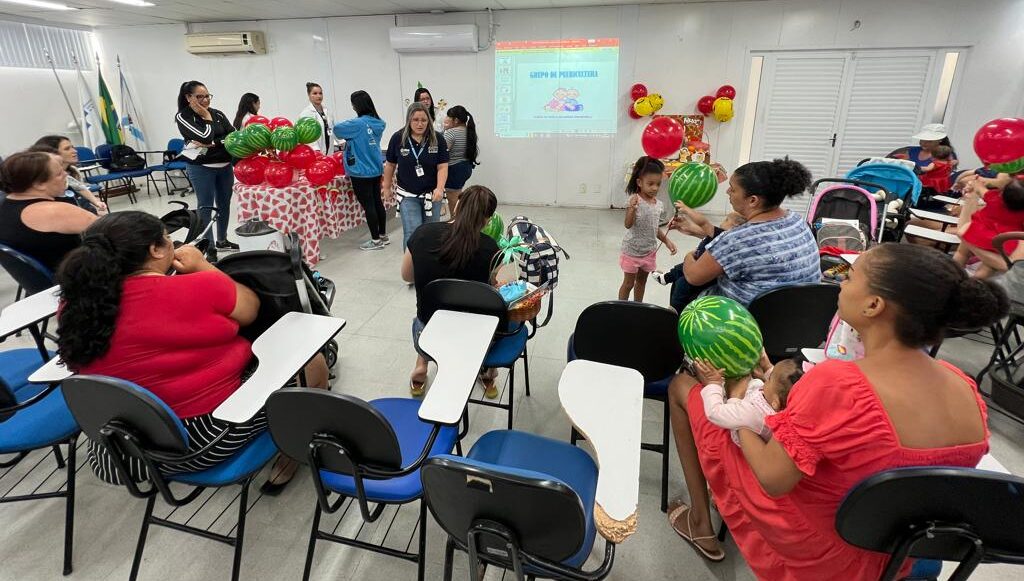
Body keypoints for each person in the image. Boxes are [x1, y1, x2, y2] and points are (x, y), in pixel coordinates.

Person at [664, 243, 1005, 578]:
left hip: (823, 550)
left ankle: (699, 523)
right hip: (900, 549)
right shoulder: (964, 387)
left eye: (850, 276)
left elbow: (772, 480)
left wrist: (740, 403)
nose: (840, 282)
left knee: (683, 387)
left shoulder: (837, 384)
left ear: (873, 305)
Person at [56, 211, 329, 491]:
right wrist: (202, 266)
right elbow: (250, 309)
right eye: (167, 238)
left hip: (120, 447)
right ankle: (289, 459)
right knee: (313, 363)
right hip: (198, 442)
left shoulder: (76, 305)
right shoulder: (198, 286)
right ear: (155, 250)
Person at [667, 157, 820, 307]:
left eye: (732, 189)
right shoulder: (796, 220)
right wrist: (696, 231)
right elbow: (755, 249)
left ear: (753, 200)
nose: (727, 192)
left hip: (744, 320)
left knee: (682, 281)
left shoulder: (736, 239)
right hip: (795, 315)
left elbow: (694, 276)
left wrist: (689, 256)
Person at [401, 185, 500, 397]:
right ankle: (487, 371)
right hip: (473, 338)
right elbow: (497, 294)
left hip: (428, 334)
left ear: (456, 208)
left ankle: (421, 366)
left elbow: (407, 276)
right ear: (487, 220)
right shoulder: (491, 248)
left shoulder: (422, 234)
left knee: (429, 312)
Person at [175, 80, 239, 261]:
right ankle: (209, 246)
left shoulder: (218, 113)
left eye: (207, 96)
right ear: (188, 97)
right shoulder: (183, 116)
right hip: (201, 168)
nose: (205, 100)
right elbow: (204, 135)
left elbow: (233, 136)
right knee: (205, 207)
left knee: (224, 204)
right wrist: (207, 119)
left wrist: (215, 143)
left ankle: (222, 240)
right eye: (199, 97)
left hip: (224, 166)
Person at [0, 151, 96, 271]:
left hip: (46, 281)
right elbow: (116, 231)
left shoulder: (6, 206)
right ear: (39, 184)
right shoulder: (53, 211)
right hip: (80, 279)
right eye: (60, 173)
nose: (66, 175)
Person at [653, 204, 745, 312]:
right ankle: (666, 277)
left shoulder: (724, 235)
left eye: (727, 219)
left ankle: (674, 308)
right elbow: (704, 232)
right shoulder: (724, 236)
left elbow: (704, 223)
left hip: (701, 273)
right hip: (699, 261)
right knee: (679, 270)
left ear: (734, 226)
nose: (723, 221)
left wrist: (687, 209)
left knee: (682, 283)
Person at [383, 102, 449, 249]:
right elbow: (390, 165)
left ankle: (429, 265)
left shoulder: (437, 139)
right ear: (409, 120)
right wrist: (386, 187)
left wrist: (439, 188)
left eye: (424, 120)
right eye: (415, 120)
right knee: (412, 233)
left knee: (431, 232)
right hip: (408, 195)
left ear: (429, 121)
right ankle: (411, 268)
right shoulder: (398, 138)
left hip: (432, 195)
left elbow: (443, 167)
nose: (420, 124)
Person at [695, 357, 802, 446]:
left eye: (769, 379)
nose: (767, 377)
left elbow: (714, 412)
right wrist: (767, 365)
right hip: (747, 400)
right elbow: (781, 384)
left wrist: (714, 382)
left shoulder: (754, 414)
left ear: (775, 403)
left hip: (732, 424)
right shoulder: (783, 403)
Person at [334, 90, 388, 250]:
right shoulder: (378, 122)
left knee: (369, 205)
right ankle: (383, 236)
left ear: (356, 105)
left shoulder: (357, 124)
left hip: (360, 170)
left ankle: (375, 241)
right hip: (375, 168)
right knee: (377, 202)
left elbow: (337, 129)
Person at [619, 156, 677, 301]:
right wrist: (632, 209)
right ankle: (621, 309)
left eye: (658, 184)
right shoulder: (635, 200)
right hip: (632, 250)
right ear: (639, 182)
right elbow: (628, 224)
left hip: (649, 252)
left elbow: (655, 228)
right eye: (650, 184)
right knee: (628, 283)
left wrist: (668, 242)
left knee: (641, 282)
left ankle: (638, 307)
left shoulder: (659, 205)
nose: (655, 188)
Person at [954, 177, 1024, 278]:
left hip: (976, 231)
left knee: (961, 253)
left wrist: (977, 183)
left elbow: (980, 189)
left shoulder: (994, 197)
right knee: (989, 266)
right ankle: (976, 286)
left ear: (1002, 193)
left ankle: (953, 275)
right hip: (1002, 241)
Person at [30, 136, 107, 214]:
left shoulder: (73, 171)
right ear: (52, 154)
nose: (75, 151)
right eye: (67, 149)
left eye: (72, 147)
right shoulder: (45, 181)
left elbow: (80, 188)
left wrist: (96, 202)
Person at [442, 105, 479, 213]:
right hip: (466, 167)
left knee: (453, 201)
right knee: (457, 196)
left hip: (454, 169)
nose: (447, 119)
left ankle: (456, 224)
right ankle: (458, 221)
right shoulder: (469, 131)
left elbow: (443, 152)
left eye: (449, 117)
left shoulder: (451, 132)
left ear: (456, 120)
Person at [299, 82, 333, 154]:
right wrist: (315, 149)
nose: (319, 96)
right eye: (315, 93)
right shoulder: (306, 114)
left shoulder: (327, 111)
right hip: (315, 152)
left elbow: (332, 128)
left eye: (320, 93)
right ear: (309, 95)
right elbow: (307, 136)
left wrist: (341, 142)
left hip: (329, 149)